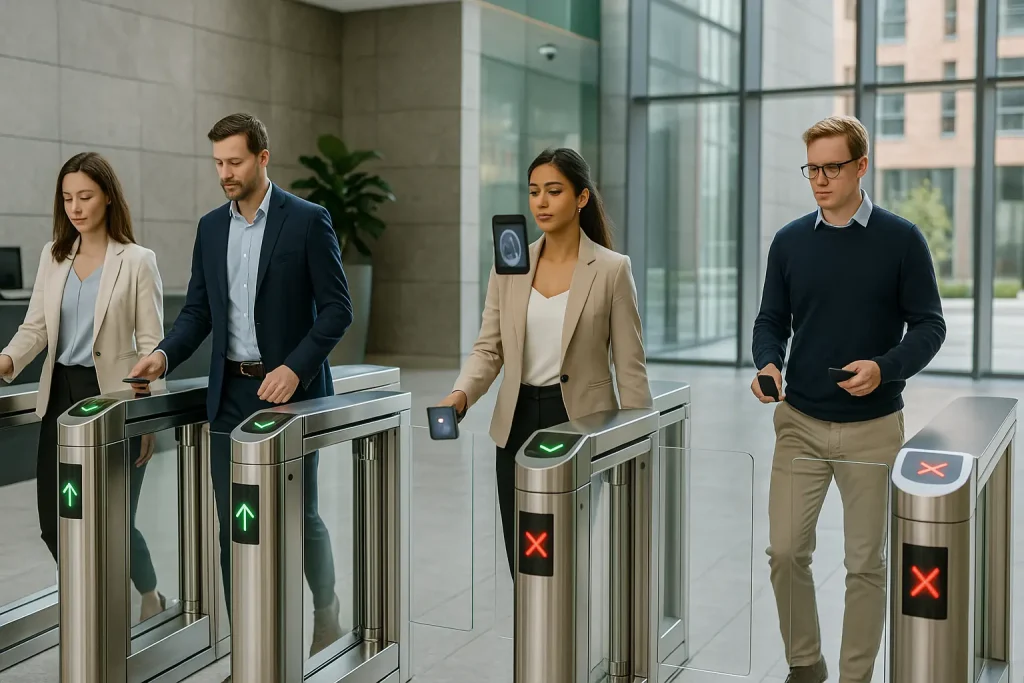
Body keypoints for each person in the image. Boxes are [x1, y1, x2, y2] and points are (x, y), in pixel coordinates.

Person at [128, 113, 352, 675]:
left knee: (300, 518)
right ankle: (252, 651)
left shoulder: (306, 221)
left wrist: (296, 368)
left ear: (262, 158)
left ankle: (326, 609)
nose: (225, 173)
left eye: (235, 161)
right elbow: (199, 311)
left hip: (292, 397)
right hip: (230, 397)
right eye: (219, 163)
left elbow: (337, 310)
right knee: (237, 525)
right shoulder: (210, 227)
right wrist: (163, 354)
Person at [752, 115, 946, 683]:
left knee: (865, 564)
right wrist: (767, 361)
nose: (819, 179)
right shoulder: (788, 241)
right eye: (812, 168)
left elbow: (930, 327)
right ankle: (805, 665)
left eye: (831, 167)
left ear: (861, 166)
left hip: (873, 428)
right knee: (785, 553)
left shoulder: (902, 240)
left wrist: (885, 368)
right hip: (801, 423)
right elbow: (771, 320)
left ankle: (855, 678)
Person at [437, 148, 653, 577]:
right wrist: (460, 395)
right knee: (524, 560)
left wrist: (637, 443)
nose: (541, 201)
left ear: (581, 199)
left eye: (554, 191)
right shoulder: (510, 264)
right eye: (534, 191)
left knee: (561, 559)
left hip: (579, 423)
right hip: (515, 423)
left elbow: (630, 366)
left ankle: (564, 643)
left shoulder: (611, 269)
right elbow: (489, 347)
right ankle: (533, 643)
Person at [0, 152, 167, 622]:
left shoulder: (136, 261)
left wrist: (146, 412)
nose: (75, 207)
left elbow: (151, 344)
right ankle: (96, 601)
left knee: (114, 520)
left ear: (108, 197)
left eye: (85, 196)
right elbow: (35, 329)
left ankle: (141, 596)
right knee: (55, 521)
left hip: (114, 397)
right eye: (67, 197)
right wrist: (7, 359)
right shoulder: (53, 257)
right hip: (60, 398)